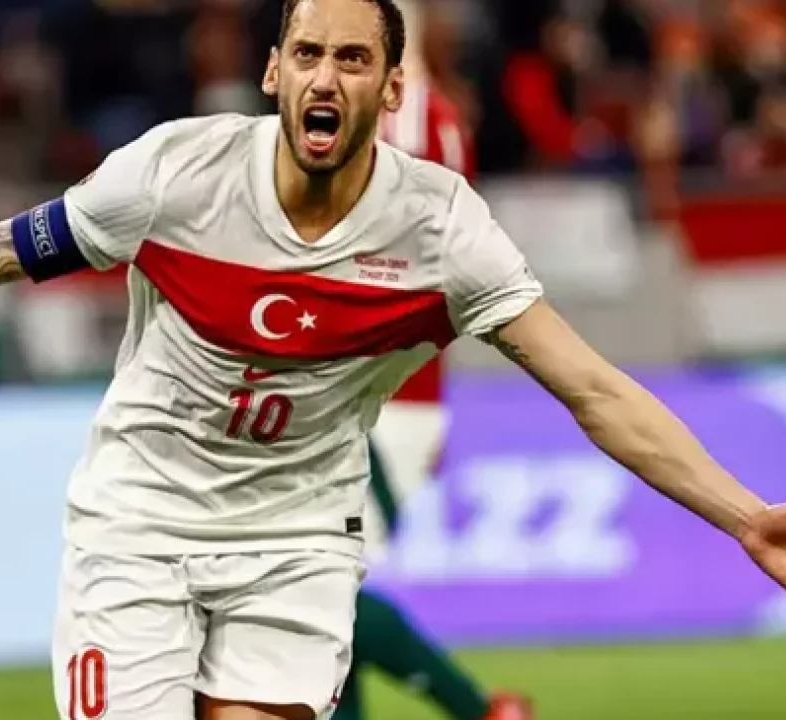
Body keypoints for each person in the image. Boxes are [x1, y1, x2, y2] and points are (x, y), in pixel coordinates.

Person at [0, 1, 786, 719]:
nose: (326, 76)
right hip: (136, 529)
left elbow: (593, 389)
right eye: (308, 53)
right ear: (273, 72)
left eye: (354, 58)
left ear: (389, 89)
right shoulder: (172, 175)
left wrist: (742, 517)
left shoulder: (439, 229)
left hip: (295, 543)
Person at [336, 2, 532, 719]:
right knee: (314, 593)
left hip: (372, 392)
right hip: (389, 391)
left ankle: (479, 708)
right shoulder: (432, 115)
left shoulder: (412, 116)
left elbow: (412, 253)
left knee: (320, 593)